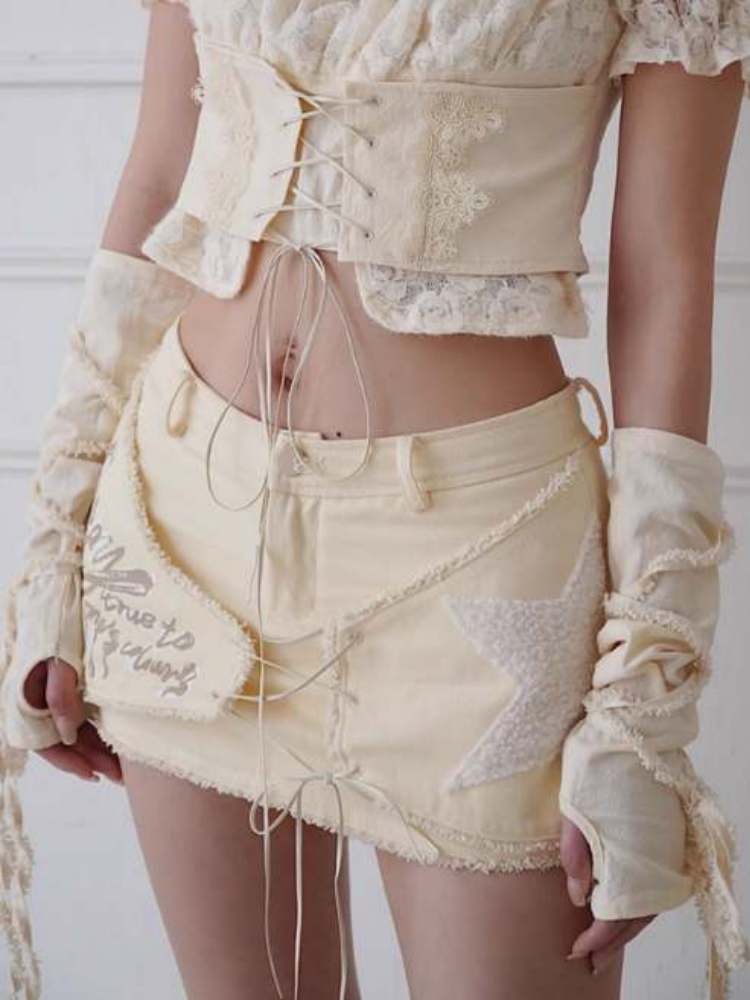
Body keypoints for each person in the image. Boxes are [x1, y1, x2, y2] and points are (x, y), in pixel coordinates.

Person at [1, 2, 748, 998]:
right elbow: (158, 177)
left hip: (483, 571)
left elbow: (664, 276)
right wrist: (56, 546)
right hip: (183, 533)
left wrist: (646, 701)